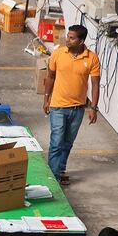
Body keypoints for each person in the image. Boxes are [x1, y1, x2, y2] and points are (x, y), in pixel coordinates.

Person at [43, 25, 100, 185]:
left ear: (81, 41)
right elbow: (50, 77)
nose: (67, 40)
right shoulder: (58, 53)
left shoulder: (92, 58)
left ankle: (60, 171)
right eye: (68, 36)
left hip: (78, 108)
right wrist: (46, 98)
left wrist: (93, 108)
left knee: (67, 143)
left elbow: (95, 84)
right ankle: (52, 177)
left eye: (72, 38)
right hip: (58, 106)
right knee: (56, 142)